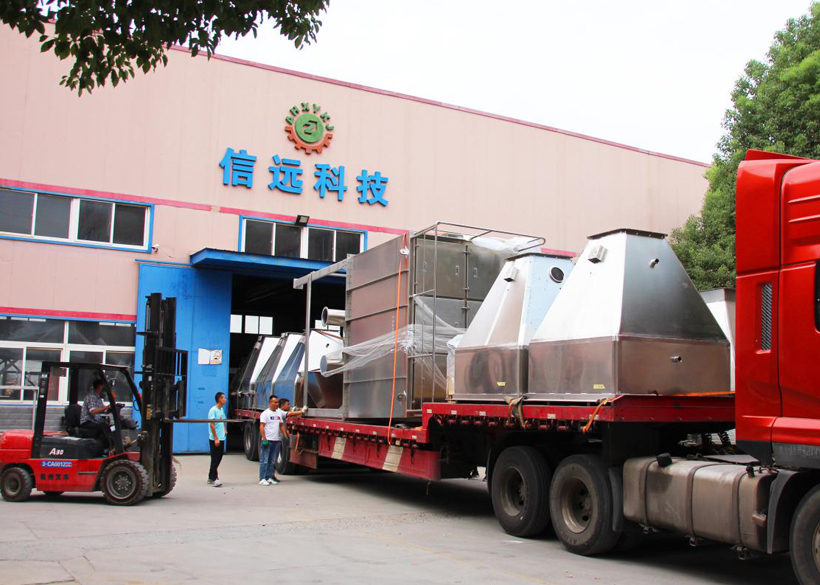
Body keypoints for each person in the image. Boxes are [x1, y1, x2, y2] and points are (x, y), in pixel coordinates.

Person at [259, 395, 286, 485]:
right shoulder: (265, 413)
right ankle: (262, 478)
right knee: (264, 460)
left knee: (272, 460)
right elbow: (262, 426)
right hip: (268, 440)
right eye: (275, 402)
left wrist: (285, 435)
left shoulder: (278, 413)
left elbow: (281, 425)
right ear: (270, 403)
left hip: (276, 440)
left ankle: (269, 477)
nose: (277, 404)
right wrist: (264, 439)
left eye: (277, 402)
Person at [80, 379, 114, 447]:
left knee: (110, 427)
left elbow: (103, 409)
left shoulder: (98, 398)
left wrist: (112, 408)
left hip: (95, 422)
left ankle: (113, 445)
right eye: (103, 386)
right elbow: (93, 411)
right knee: (104, 427)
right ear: (99, 386)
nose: (104, 389)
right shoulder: (91, 397)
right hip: (87, 422)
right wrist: (106, 407)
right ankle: (107, 447)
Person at [208, 392, 228, 487]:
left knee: (218, 457)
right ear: (219, 399)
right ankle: (214, 478)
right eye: (223, 398)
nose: (225, 399)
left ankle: (210, 477)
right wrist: (216, 438)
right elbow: (212, 425)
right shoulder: (213, 410)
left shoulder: (221, 410)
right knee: (215, 459)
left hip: (221, 437)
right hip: (214, 439)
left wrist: (224, 430)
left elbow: (222, 421)